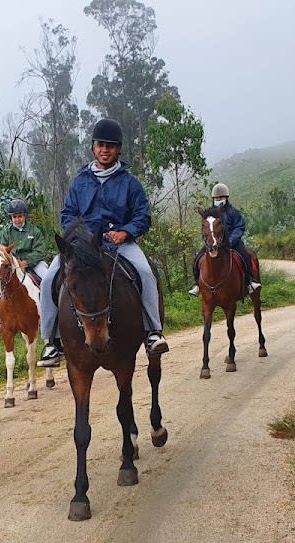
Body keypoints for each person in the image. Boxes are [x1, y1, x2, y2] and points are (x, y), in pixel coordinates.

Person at [37, 118, 169, 367]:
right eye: (100, 145)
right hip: (83, 248)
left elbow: (142, 215)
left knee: (145, 272)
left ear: (118, 149)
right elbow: (68, 215)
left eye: (110, 146)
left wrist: (126, 232)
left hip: (119, 243)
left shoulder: (129, 183)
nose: (104, 150)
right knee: (48, 279)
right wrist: (80, 237)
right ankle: (52, 342)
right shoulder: (80, 182)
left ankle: (153, 331)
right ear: (93, 147)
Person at [0, 198, 53, 328]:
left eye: (20, 216)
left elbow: (40, 251)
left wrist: (27, 262)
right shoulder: (6, 233)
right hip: (13, 264)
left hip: (34, 262)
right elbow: (2, 252)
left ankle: (51, 311)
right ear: (11, 218)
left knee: (48, 279)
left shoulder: (34, 231)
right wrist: (13, 262)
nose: (17, 219)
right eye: (14, 217)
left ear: (25, 216)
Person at [188, 182, 260, 297]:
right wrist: (207, 240)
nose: (219, 200)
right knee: (197, 258)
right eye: (216, 198)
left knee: (245, 256)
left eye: (221, 197)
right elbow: (205, 229)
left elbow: (240, 227)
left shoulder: (233, 212)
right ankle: (197, 285)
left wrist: (231, 240)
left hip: (232, 242)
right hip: (214, 243)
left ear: (226, 198)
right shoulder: (209, 213)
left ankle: (250, 282)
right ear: (213, 199)